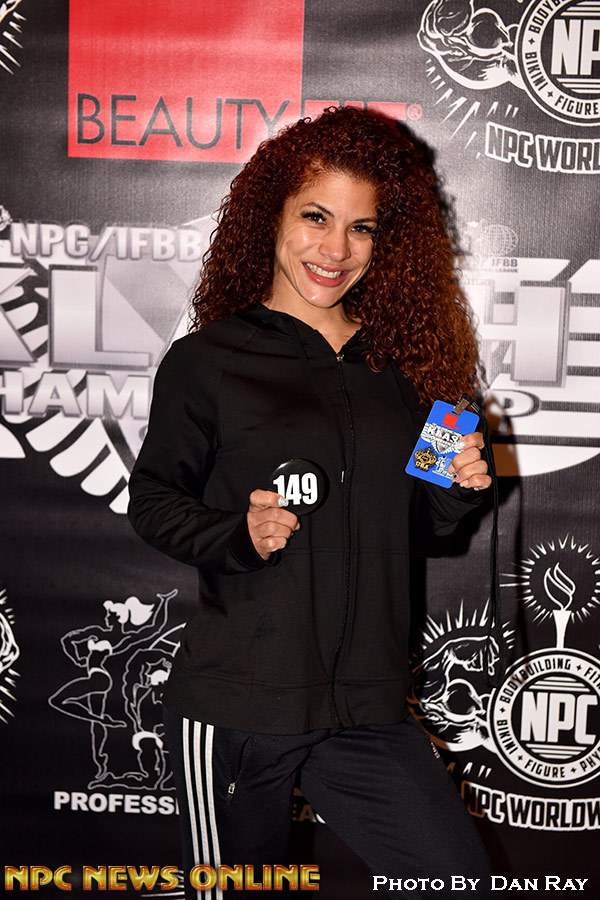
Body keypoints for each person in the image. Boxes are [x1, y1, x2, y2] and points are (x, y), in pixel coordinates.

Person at [128, 106, 494, 898]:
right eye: (316, 218)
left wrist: (459, 484)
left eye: (361, 228)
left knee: (456, 881)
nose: (336, 250)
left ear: (386, 242)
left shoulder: (417, 369)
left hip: (366, 707)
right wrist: (238, 532)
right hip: (238, 702)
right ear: (273, 217)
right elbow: (153, 500)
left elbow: (430, 528)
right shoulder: (207, 360)